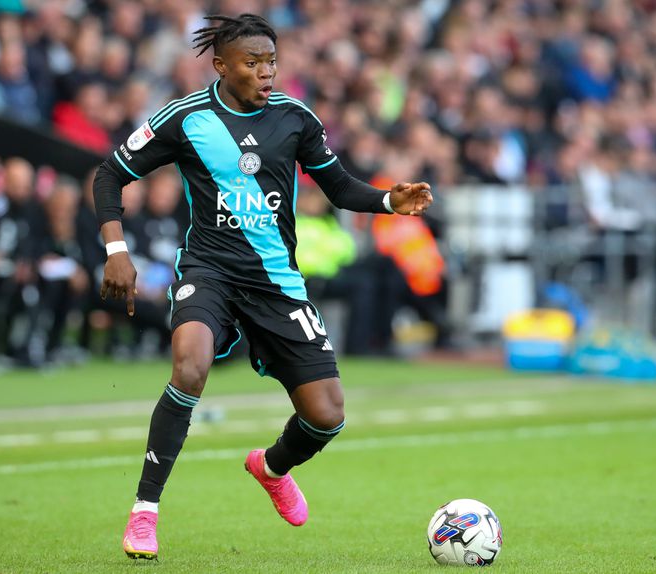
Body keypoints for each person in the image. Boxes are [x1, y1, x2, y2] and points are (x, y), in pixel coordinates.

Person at [92, 14, 433, 560]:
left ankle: (271, 468)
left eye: (271, 61)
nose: (266, 72)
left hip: (276, 283)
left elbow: (338, 187)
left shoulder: (296, 119)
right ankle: (144, 513)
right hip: (210, 271)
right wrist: (116, 251)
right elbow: (110, 173)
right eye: (252, 63)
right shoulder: (185, 117)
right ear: (221, 66)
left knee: (327, 415)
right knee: (190, 365)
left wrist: (390, 201)